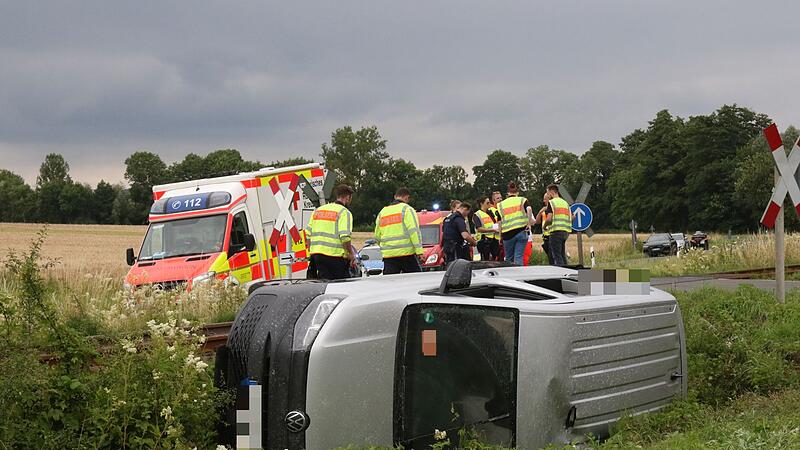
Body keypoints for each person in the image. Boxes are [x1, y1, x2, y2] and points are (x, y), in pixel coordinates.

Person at [306, 185, 356, 280]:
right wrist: (350, 254)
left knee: (324, 283)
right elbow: (345, 237)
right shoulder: (344, 212)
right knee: (342, 284)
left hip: (317, 256)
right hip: (335, 257)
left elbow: (308, 233)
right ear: (348, 197)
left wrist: (311, 251)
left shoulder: (319, 210)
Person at [374, 187, 424, 274]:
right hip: (406, 254)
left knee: (390, 281)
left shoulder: (383, 212)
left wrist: (387, 247)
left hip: (389, 256)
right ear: (407, 197)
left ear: (395, 196)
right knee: (416, 279)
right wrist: (419, 252)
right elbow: (414, 232)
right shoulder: (407, 209)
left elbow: (377, 236)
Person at [497, 181, 534, 265]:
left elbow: (499, 222)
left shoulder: (501, 205)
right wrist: (528, 223)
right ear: (517, 192)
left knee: (509, 258)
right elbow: (529, 209)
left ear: (508, 193)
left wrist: (500, 236)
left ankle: (510, 272)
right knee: (518, 257)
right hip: (521, 231)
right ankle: (519, 272)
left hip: (507, 234)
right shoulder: (522, 200)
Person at [544, 184, 573, 266]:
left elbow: (549, 219)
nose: (548, 195)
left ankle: (561, 272)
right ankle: (567, 271)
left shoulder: (551, 202)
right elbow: (572, 216)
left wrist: (544, 226)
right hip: (565, 232)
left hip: (556, 231)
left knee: (557, 256)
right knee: (562, 255)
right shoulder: (565, 203)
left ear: (551, 192)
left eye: (548, 193)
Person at [473, 196, 500, 261]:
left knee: (496, 259)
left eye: (489, 202)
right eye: (487, 203)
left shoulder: (491, 212)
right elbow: (479, 229)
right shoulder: (477, 214)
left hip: (494, 239)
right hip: (484, 240)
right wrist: (492, 230)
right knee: (485, 260)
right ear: (481, 204)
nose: (489, 204)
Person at [537, 192, 554, 265]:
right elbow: (537, 221)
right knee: (551, 258)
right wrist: (540, 212)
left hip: (551, 235)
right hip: (545, 237)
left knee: (553, 257)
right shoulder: (543, 210)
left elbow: (549, 220)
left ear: (549, 199)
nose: (543, 201)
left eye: (545, 199)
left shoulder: (553, 208)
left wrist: (544, 226)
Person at [488, 191, 503, 260]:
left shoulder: (503, 208)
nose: (500, 199)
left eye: (501, 198)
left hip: (504, 236)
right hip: (495, 239)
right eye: (498, 198)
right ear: (493, 200)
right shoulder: (490, 210)